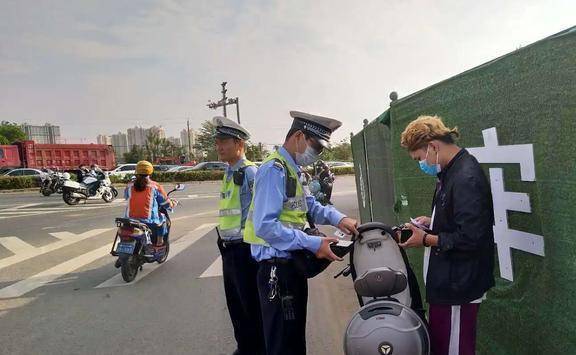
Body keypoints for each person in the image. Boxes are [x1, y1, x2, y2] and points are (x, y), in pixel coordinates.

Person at [243, 111, 358, 355]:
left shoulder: (291, 168)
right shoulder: (274, 170)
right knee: (283, 345)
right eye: (315, 146)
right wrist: (314, 243)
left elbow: (310, 207)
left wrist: (340, 219)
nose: (316, 154)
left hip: (290, 268)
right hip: (276, 269)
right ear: (298, 136)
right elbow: (266, 226)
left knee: (294, 342)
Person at [398, 115, 495, 355]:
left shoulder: (466, 176)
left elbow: (472, 238)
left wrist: (426, 239)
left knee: (455, 349)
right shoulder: (450, 171)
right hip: (447, 285)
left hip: (458, 289)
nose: (421, 164)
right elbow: (461, 219)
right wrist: (434, 221)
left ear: (432, 146)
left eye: (419, 158)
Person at [213, 116, 265, 355]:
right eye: (218, 141)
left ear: (239, 143)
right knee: (235, 305)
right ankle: (245, 347)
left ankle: (255, 349)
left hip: (245, 251)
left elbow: (261, 213)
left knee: (250, 306)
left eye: (224, 141)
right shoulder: (229, 172)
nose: (219, 146)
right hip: (229, 249)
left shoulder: (251, 173)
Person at [124, 161, 172, 257]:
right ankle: (159, 243)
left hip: (129, 219)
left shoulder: (129, 185)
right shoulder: (155, 186)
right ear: (150, 172)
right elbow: (165, 202)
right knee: (163, 220)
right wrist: (171, 205)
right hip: (149, 221)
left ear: (136, 172)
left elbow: (126, 197)